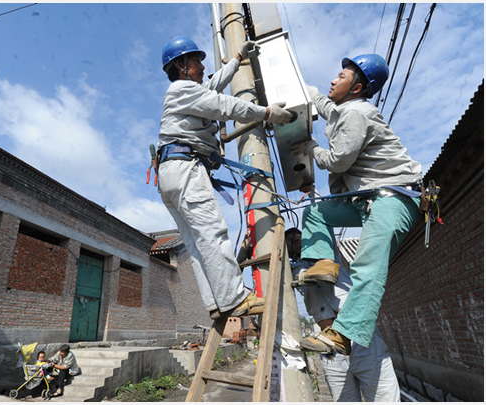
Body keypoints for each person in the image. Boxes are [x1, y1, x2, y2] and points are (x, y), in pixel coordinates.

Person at [291, 54, 423, 354]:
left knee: (367, 267)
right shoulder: (344, 109)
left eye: (340, 76)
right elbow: (322, 103)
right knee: (315, 211)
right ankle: (324, 262)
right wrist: (293, 79)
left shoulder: (356, 114)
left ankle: (343, 335)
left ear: (357, 86)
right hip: (369, 202)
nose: (333, 80)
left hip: (394, 200)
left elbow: (338, 159)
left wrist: (311, 148)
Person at [157, 36, 293, 320]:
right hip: (185, 168)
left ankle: (216, 303)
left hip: (172, 172)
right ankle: (234, 297)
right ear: (182, 66)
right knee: (212, 232)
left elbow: (213, 84)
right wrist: (267, 113)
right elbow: (224, 104)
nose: (203, 65)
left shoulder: (187, 92)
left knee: (196, 242)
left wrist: (237, 60)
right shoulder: (182, 89)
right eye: (196, 61)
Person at [286, 228, 400, 401]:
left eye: (297, 234)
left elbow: (323, 218)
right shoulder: (292, 271)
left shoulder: (329, 254)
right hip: (330, 349)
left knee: (384, 399)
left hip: (361, 340)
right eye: (289, 239)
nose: (294, 238)